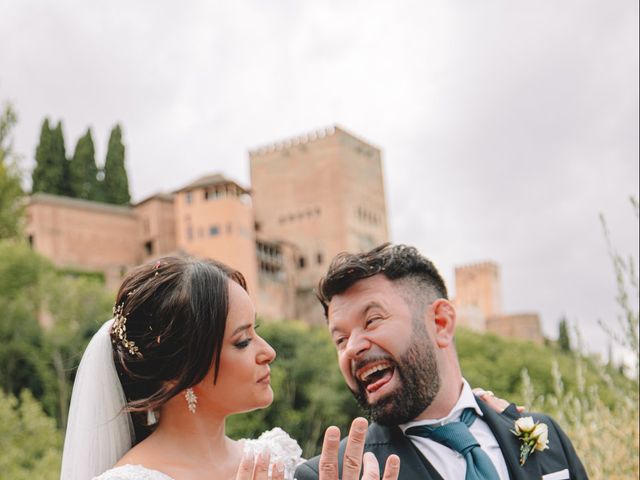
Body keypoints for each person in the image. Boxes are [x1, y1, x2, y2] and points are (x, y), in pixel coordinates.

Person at [61, 255, 399, 480]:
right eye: (242, 341)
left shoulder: (275, 458)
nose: (269, 352)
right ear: (177, 371)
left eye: (257, 331)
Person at [295, 244, 588, 480]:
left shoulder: (545, 434)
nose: (352, 349)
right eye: (340, 340)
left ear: (440, 322)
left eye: (371, 321)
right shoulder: (328, 475)